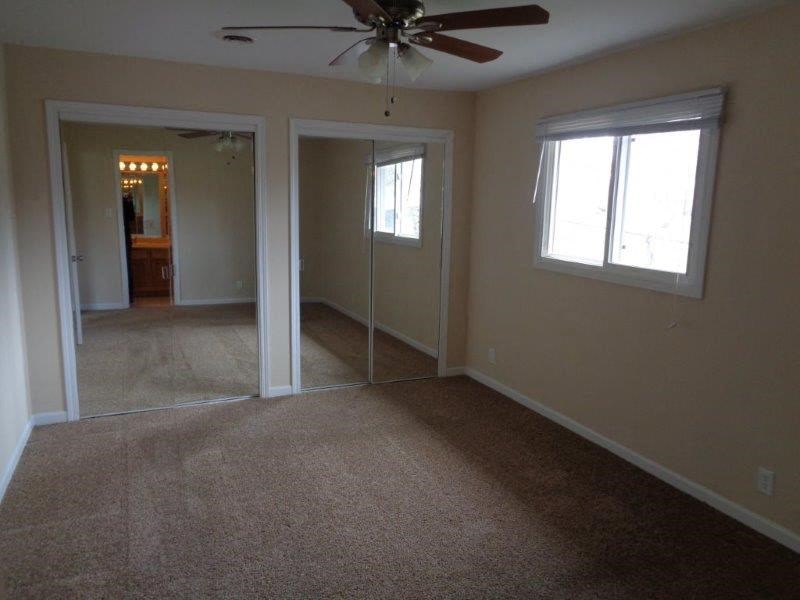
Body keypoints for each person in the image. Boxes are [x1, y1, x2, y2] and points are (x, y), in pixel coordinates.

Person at [122, 192, 136, 302]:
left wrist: (130, 201)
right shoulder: (122, 202)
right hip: (125, 239)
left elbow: (131, 217)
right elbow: (132, 217)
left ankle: (129, 297)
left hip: (126, 238)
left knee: (128, 268)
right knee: (127, 267)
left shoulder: (125, 202)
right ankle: (128, 297)